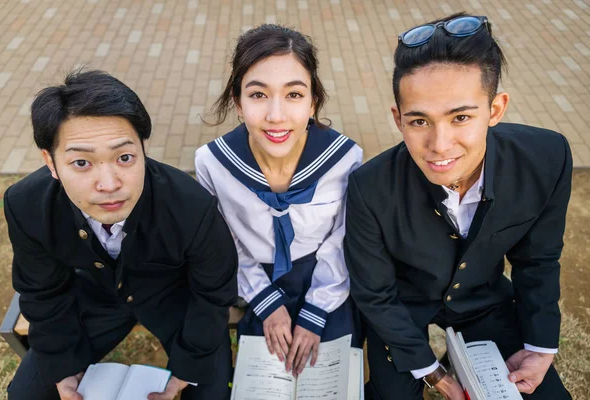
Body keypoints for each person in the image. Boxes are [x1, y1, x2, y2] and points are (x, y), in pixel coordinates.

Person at [344, 13, 572, 400]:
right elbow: (376, 295)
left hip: (484, 300)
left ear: (496, 109)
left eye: (461, 117)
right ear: (398, 119)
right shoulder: (369, 187)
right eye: (419, 121)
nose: (440, 145)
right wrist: (433, 373)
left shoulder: (547, 158)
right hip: (403, 305)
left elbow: (538, 260)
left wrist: (539, 347)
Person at [5, 70, 238, 400]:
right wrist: (62, 365)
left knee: (211, 393)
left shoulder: (191, 206)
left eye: (124, 157)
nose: (110, 183)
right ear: (51, 163)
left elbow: (214, 293)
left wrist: (189, 367)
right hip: (91, 298)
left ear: (142, 149)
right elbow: (43, 292)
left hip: (173, 298)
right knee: (25, 395)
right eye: (82, 163)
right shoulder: (26, 204)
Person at [195, 24, 363, 377]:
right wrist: (266, 303)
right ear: (238, 103)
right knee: (264, 377)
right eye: (257, 95)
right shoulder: (213, 163)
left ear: (313, 101)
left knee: (330, 374)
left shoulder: (345, 158)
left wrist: (317, 309)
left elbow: (344, 238)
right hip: (254, 281)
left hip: (328, 278)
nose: (276, 116)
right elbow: (225, 243)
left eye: (294, 95)